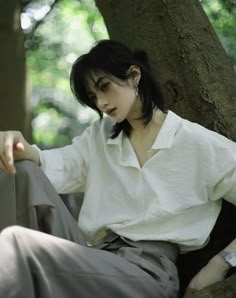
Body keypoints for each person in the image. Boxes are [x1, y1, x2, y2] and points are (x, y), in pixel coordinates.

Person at [0, 39, 235, 298]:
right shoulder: (100, 136)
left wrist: (222, 262)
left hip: (146, 271)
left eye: (104, 87)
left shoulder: (196, 142)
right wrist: (19, 145)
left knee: (16, 243)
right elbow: (53, 164)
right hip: (91, 257)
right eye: (92, 96)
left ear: (134, 75)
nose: (100, 102)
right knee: (21, 170)